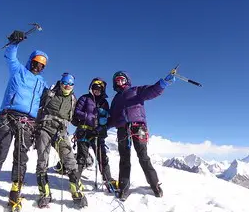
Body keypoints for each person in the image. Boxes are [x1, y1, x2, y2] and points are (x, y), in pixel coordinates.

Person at [0, 30, 48, 212]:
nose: (38, 67)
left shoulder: (42, 83)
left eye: (42, 66)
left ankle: (15, 193)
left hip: (27, 123)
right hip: (8, 117)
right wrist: (14, 42)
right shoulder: (18, 70)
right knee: (0, 152)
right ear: (31, 61)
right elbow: (10, 55)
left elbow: (52, 100)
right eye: (36, 63)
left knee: (21, 157)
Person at [108, 71, 175, 200]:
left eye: (122, 79)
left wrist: (163, 83)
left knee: (143, 156)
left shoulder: (135, 90)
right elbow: (113, 119)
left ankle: (154, 185)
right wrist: (103, 126)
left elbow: (151, 91)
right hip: (122, 129)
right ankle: (123, 188)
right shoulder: (115, 100)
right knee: (124, 159)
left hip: (138, 127)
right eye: (117, 80)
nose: (119, 82)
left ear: (127, 80)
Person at [34, 73, 88, 208]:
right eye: (65, 83)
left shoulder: (73, 100)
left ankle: (77, 192)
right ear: (60, 82)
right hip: (44, 128)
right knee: (42, 160)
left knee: (69, 160)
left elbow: (74, 118)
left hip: (61, 131)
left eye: (70, 84)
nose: (67, 86)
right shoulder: (50, 93)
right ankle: (44, 193)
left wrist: (86, 124)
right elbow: (36, 106)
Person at [72, 78, 117, 191]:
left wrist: (103, 125)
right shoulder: (84, 98)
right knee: (82, 157)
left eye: (99, 89)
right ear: (91, 88)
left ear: (103, 90)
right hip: (84, 131)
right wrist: (89, 116)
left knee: (102, 157)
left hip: (98, 133)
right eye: (95, 88)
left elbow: (107, 117)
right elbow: (77, 112)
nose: (97, 91)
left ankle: (108, 180)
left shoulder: (104, 103)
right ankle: (76, 180)